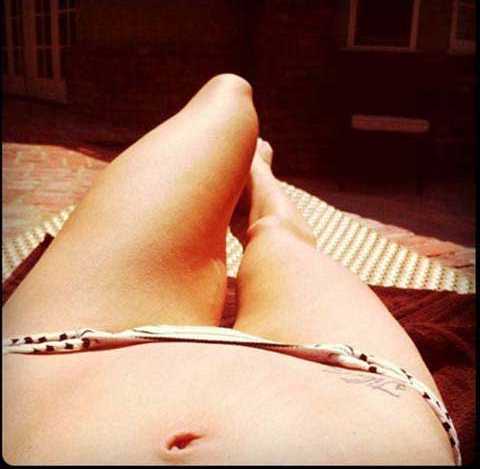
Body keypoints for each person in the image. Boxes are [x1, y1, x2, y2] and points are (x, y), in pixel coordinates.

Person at [3, 74, 457, 465]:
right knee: (276, 229)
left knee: (228, 94)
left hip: (55, 357)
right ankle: (260, 180)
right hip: (356, 383)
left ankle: (254, 173)